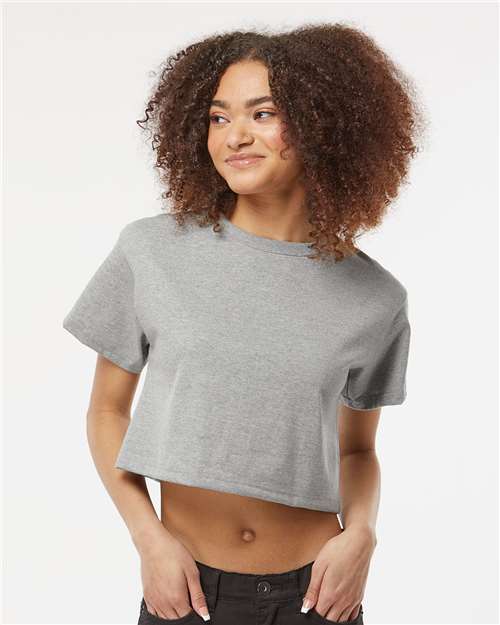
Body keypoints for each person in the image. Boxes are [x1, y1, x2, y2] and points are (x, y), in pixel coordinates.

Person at [63, 23, 424, 625]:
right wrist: (148, 539)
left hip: (318, 596)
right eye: (218, 117)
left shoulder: (374, 297)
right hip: (186, 592)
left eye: (263, 114)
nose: (235, 136)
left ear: (321, 124)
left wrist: (362, 534)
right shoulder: (152, 251)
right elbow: (106, 411)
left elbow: (357, 449)